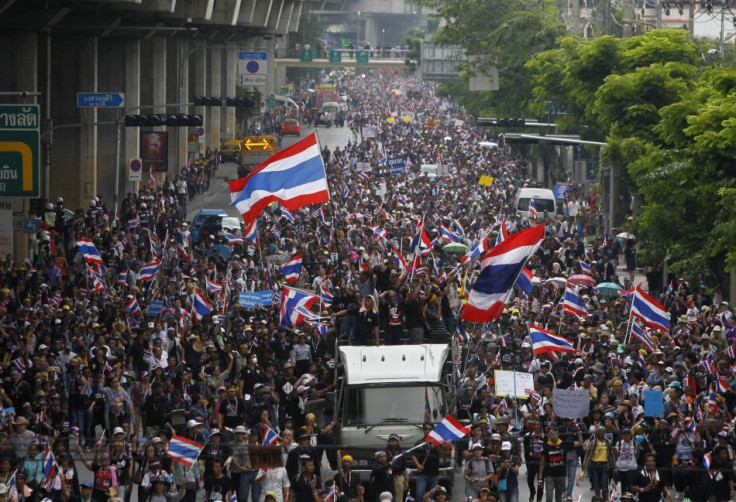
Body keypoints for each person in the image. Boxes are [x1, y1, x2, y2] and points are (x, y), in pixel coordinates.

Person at [538, 427, 566, 502]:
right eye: (552, 435)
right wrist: (540, 478)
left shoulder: (563, 445)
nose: (554, 436)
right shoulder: (545, 446)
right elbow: (542, 463)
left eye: (555, 434)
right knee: (549, 497)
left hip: (560, 475)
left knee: (558, 497)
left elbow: (580, 443)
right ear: (549, 436)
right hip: (549, 475)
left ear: (558, 435)